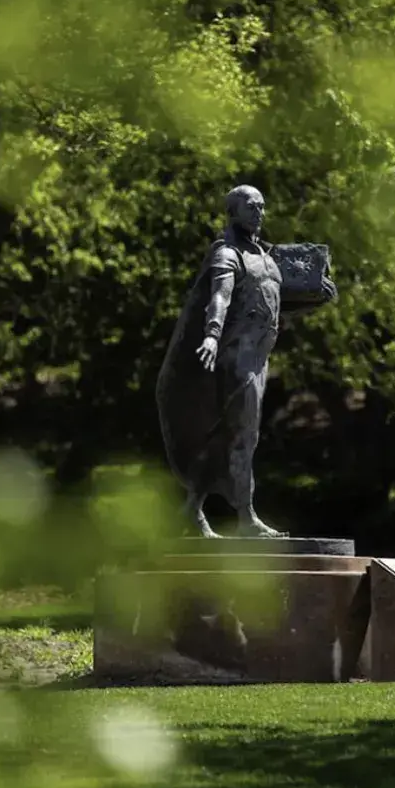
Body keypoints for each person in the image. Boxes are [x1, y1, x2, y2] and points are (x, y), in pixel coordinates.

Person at [155, 185, 337, 538]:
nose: (259, 212)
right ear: (233, 212)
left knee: (227, 433)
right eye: (251, 206)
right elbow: (219, 298)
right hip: (236, 359)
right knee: (243, 435)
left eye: (261, 206)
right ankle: (246, 518)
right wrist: (210, 334)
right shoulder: (227, 254)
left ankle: (192, 510)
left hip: (258, 359)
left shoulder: (267, 257)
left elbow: (272, 304)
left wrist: (316, 299)